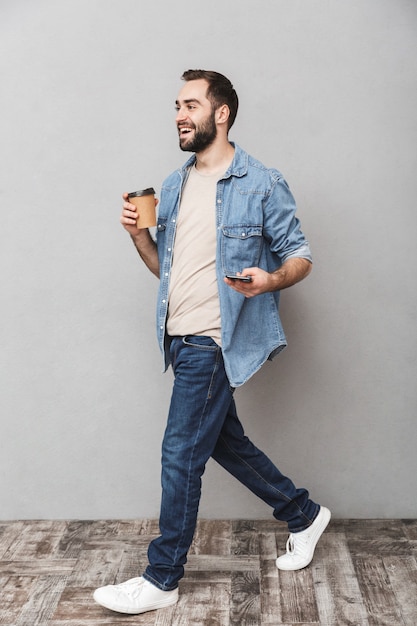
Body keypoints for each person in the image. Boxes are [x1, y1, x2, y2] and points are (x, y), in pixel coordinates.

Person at [93, 69, 330, 616]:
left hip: (215, 339)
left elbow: (301, 254)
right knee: (223, 442)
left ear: (221, 113)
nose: (180, 113)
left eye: (191, 104)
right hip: (178, 337)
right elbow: (167, 270)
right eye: (177, 104)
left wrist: (270, 280)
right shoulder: (173, 185)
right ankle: (303, 513)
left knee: (180, 455)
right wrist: (138, 237)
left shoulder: (262, 182)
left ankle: (162, 576)